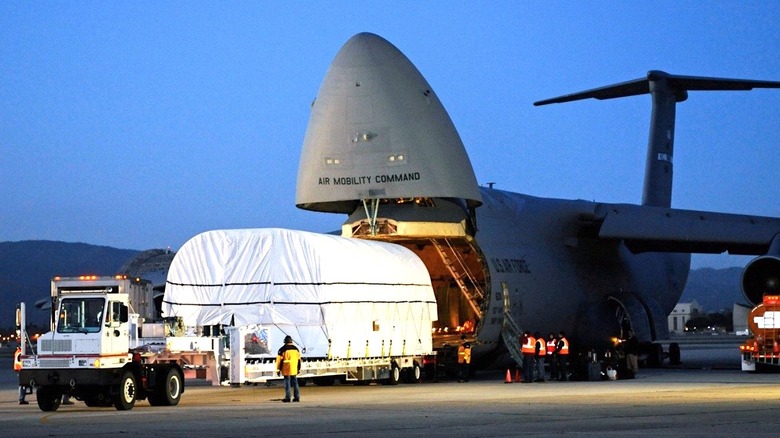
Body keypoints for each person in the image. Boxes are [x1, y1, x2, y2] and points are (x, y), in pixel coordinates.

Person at [276, 335, 302, 402]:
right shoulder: (296, 349)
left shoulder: (282, 349)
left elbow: (279, 360)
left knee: (287, 383)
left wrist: (278, 369)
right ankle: (297, 397)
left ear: (285, 341)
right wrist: (298, 368)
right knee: (295, 382)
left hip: (286, 368)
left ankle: (288, 397)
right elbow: (299, 360)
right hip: (294, 368)